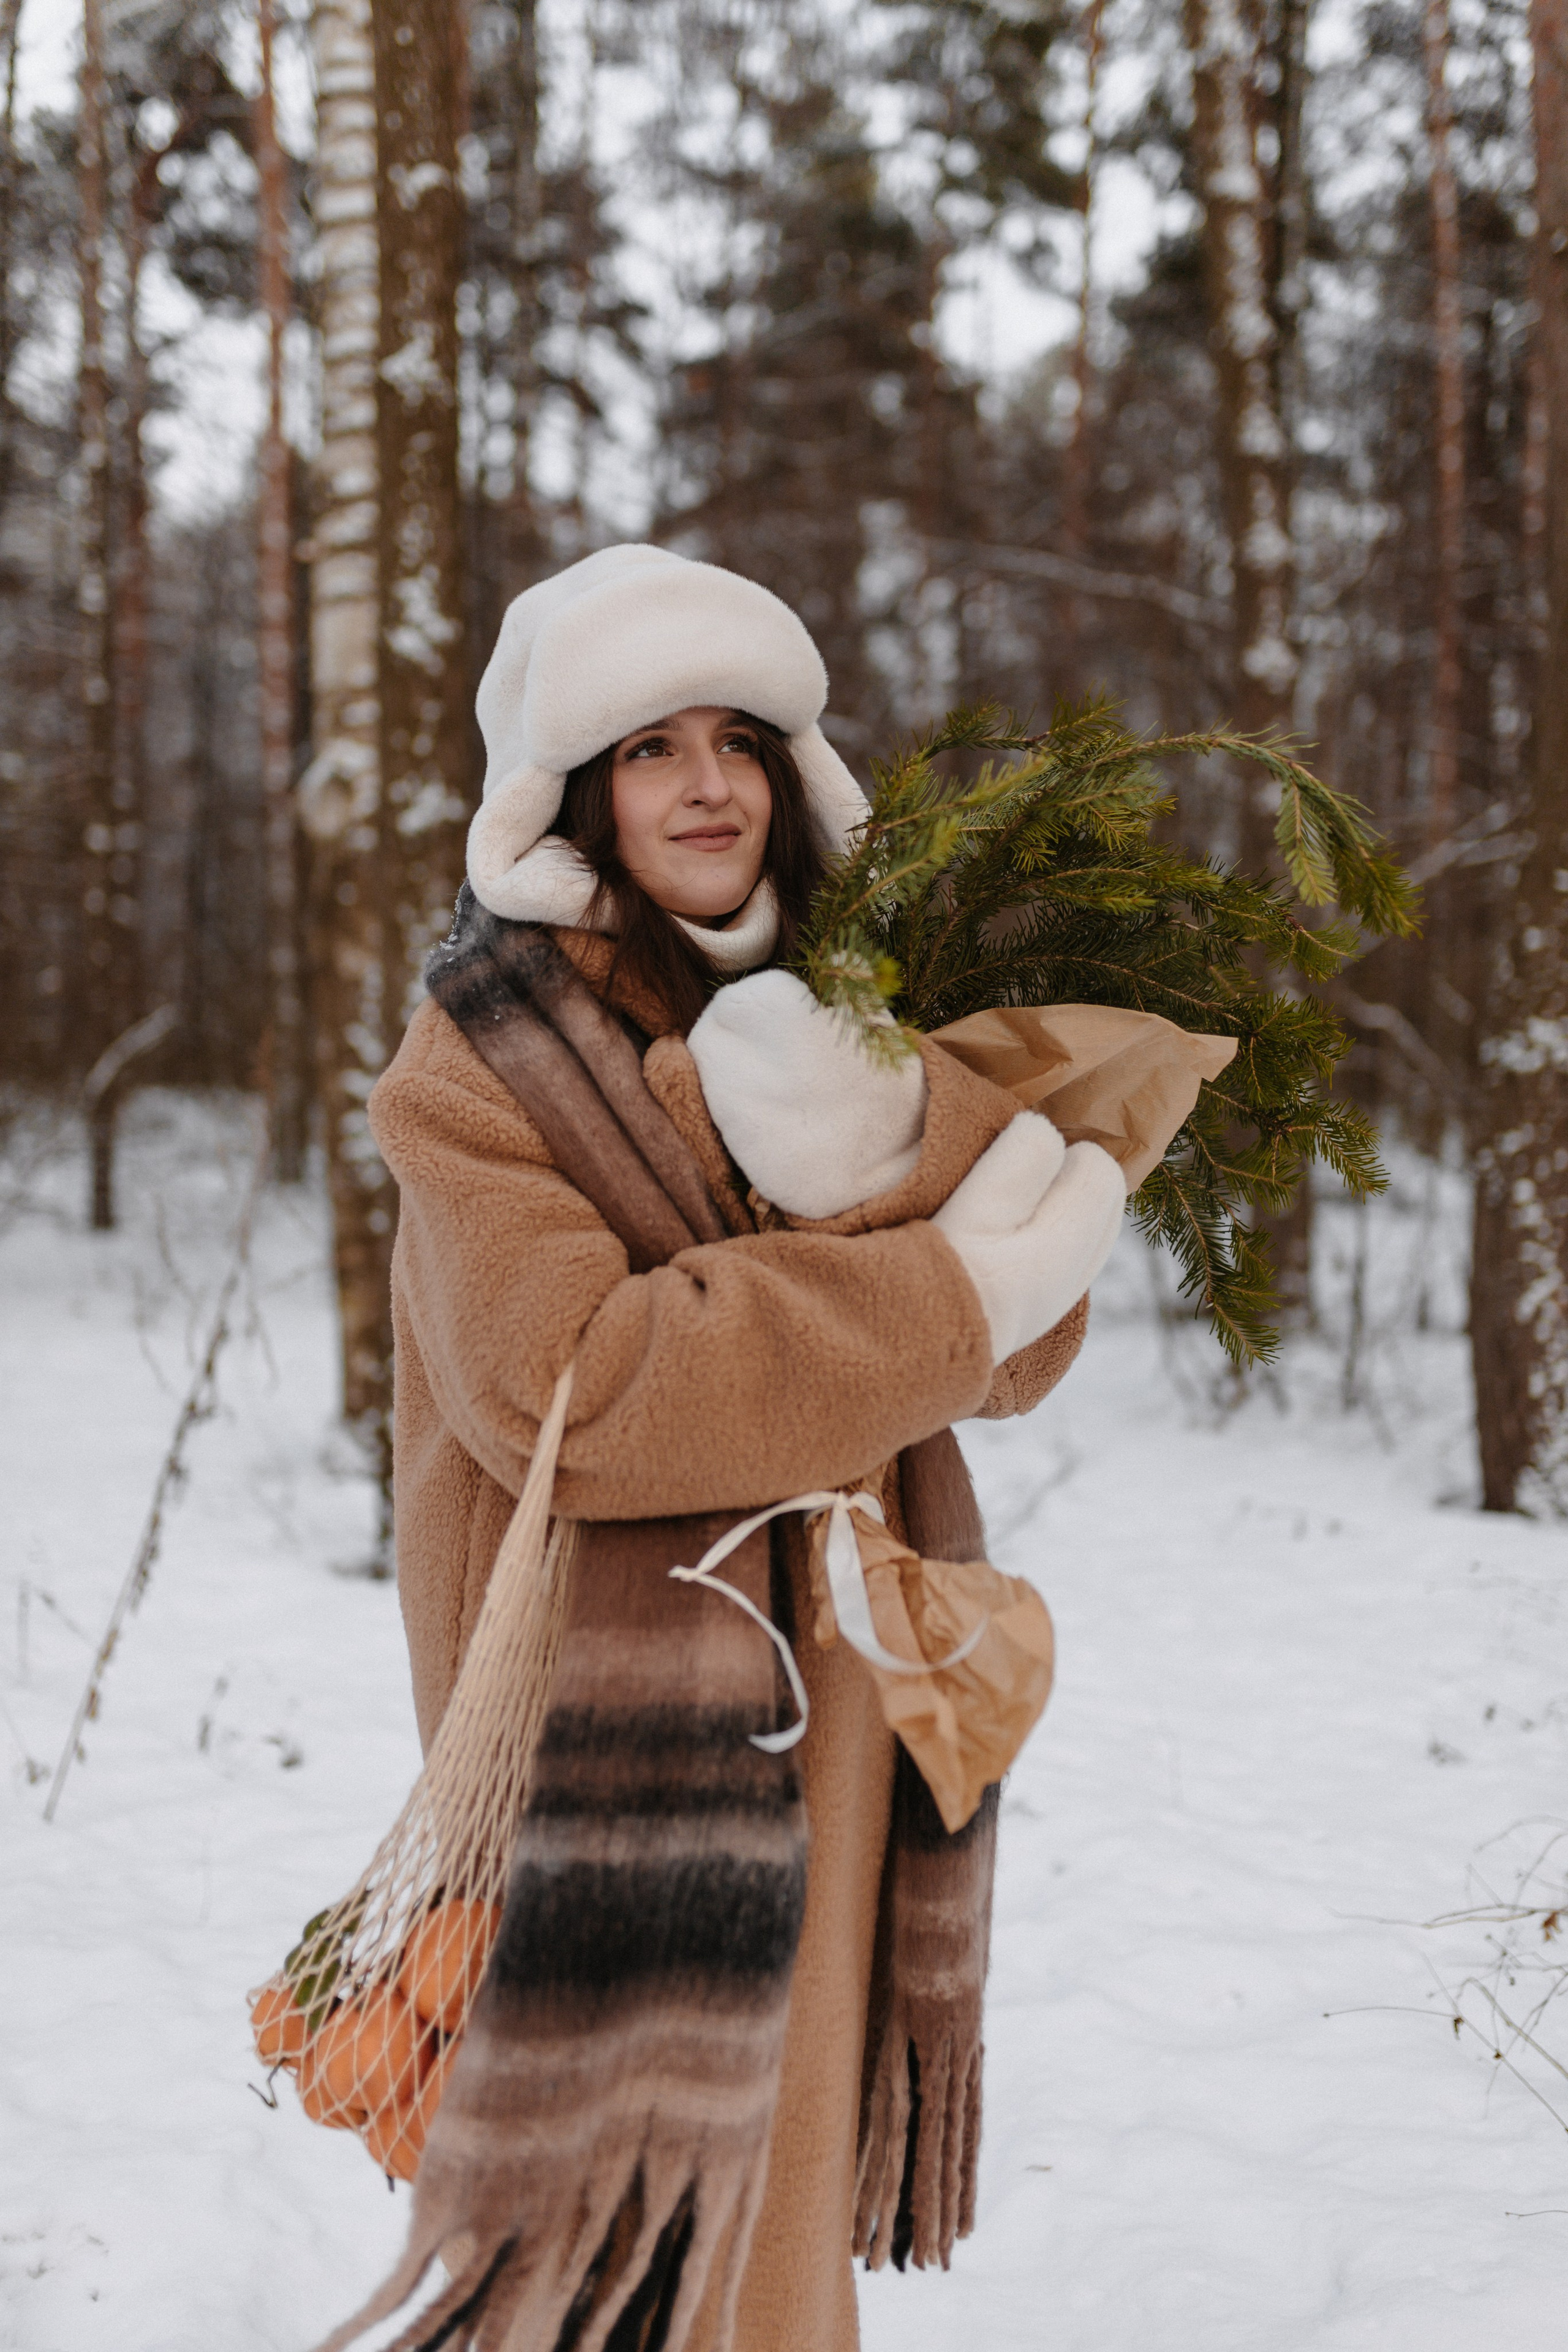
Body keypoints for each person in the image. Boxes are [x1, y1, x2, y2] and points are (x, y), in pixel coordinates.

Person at [366, 543, 1126, 2352]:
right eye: (649, 748)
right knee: (622, 2219)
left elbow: (1018, 1348)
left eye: (739, 739)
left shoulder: (868, 1023)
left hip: (844, 1682)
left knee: (774, 2202)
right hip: (593, 1709)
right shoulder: (483, 1065)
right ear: (575, 795)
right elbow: (582, 1391)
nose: (706, 785)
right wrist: (938, 1284)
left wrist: (972, 1245)